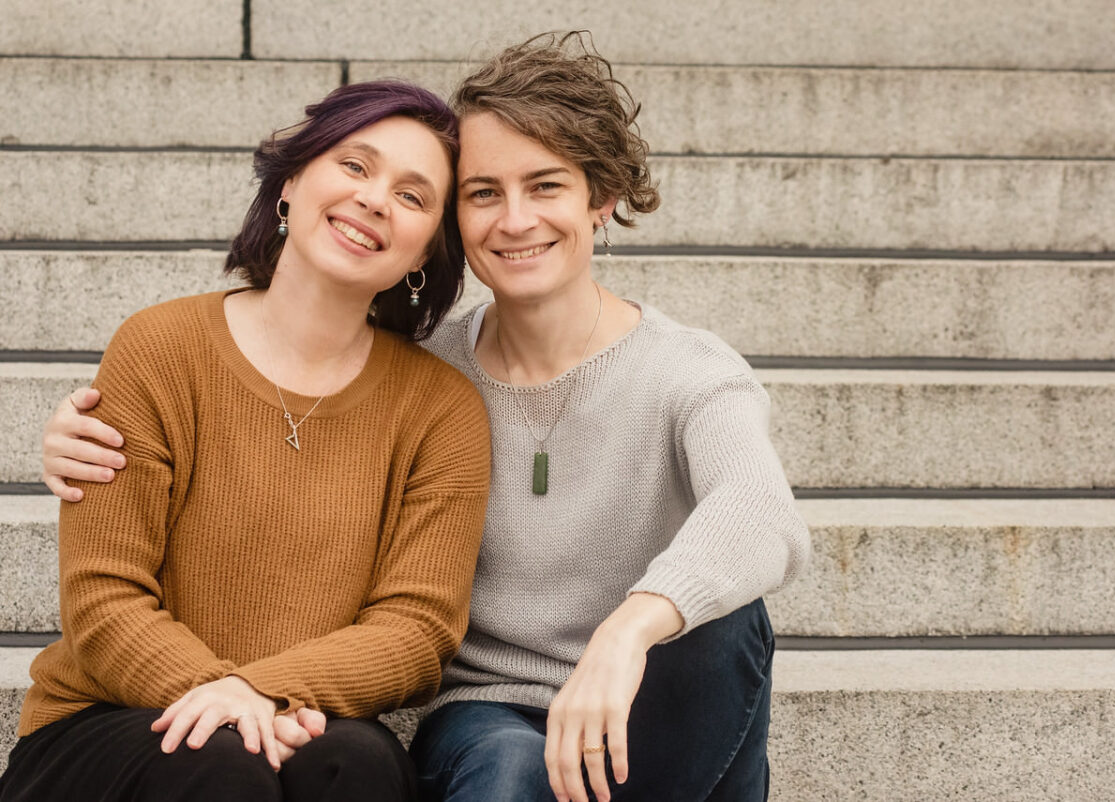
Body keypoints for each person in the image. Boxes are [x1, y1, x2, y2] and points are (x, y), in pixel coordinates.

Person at [38, 32, 809, 802]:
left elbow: (760, 511)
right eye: (482, 193)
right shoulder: (427, 370)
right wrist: (73, 442)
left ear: (600, 200)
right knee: (467, 770)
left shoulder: (676, 372)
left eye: (545, 187)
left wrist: (630, 628)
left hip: (650, 697)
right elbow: (114, 583)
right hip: (475, 712)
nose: (514, 220)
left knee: (725, 624)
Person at [3, 80, 492, 802]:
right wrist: (221, 694)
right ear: (292, 183)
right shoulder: (160, 347)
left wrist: (259, 693)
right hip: (107, 720)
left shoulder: (441, 408)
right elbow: (104, 600)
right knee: (220, 764)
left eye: (414, 197)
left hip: (298, 719)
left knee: (358, 765)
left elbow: (417, 630)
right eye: (354, 166)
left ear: (427, 250)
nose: (375, 199)